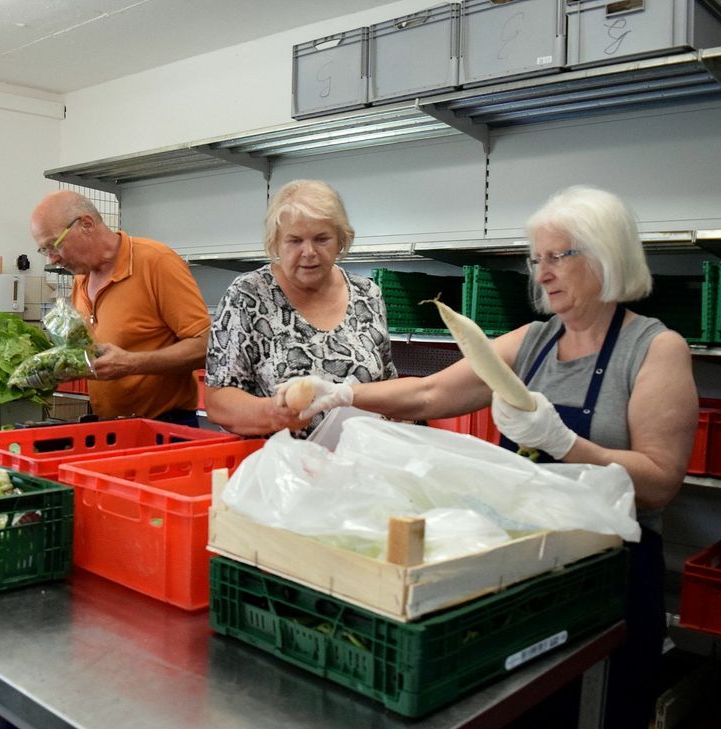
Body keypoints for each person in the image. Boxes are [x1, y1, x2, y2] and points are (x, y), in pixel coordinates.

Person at [281, 185, 697, 729]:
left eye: (557, 257)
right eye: (537, 259)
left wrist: (565, 442)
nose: (542, 274)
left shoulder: (655, 350)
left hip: (608, 578)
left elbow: (661, 482)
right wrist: (343, 394)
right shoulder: (534, 341)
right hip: (527, 570)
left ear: (604, 254)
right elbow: (429, 394)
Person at [204, 179, 397, 436]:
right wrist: (273, 413)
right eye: (295, 241)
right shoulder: (248, 294)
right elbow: (218, 399)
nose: (309, 252)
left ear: (341, 240)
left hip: (358, 462)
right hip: (281, 467)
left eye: (321, 239)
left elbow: (387, 381)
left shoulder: (367, 294)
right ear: (276, 243)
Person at [29, 190, 210, 425]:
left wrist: (132, 363)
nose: (52, 259)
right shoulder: (81, 279)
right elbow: (96, 355)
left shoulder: (156, 261)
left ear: (86, 224)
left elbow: (206, 345)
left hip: (163, 428)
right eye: (45, 250)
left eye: (55, 245)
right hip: (108, 426)